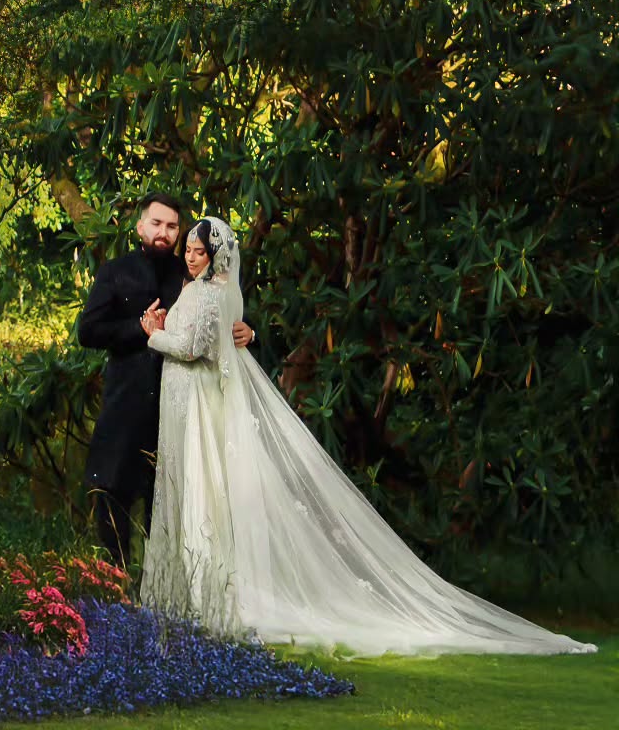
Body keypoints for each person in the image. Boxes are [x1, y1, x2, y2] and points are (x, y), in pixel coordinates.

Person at [137, 217, 594, 655]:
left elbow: (194, 348)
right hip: (193, 402)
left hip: (197, 403)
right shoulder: (210, 292)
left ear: (214, 256)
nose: (191, 258)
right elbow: (222, 335)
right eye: (189, 251)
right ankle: (199, 595)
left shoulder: (207, 295)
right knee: (205, 493)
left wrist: (154, 334)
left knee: (202, 491)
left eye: (199, 251)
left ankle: (203, 597)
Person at [77, 192, 254, 568]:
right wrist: (142, 329)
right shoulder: (115, 272)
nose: (164, 232)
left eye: (172, 225)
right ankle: (117, 592)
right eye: (156, 224)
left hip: (186, 410)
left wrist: (248, 333)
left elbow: (226, 313)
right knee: (115, 500)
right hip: (127, 406)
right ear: (140, 226)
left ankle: (170, 597)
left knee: (178, 503)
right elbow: (88, 332)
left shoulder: (194, 271)